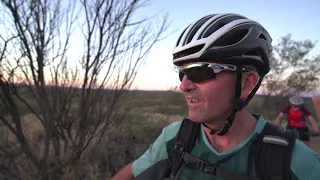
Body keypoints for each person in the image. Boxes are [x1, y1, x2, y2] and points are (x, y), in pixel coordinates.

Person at [111, 13, 320, 180]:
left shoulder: (296, 161)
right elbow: (133, 173)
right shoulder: (176, 137)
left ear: (247, 82)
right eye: (182, 73)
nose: (183, 86)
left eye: (199, 72)